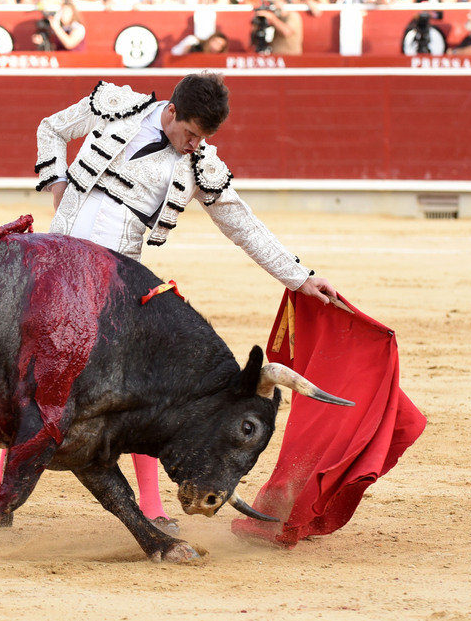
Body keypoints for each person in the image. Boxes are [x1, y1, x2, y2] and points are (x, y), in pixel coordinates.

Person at [17, 74, 337, 532]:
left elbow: (242, 225)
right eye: (189, 134)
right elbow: (50, 128)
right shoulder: (116, 105)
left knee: (140, 392)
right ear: (170, 112)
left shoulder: (199, 164)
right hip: (54, 262)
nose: (194, 145)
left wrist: (300, 277)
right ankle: (1, 501)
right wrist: (55, 183)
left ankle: (151, 507)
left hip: (114, 284)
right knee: (25, 375)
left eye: (203, 138)